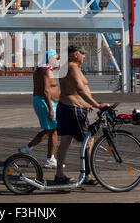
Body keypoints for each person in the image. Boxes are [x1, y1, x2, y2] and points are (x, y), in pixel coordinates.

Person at [54, 45, 109, 185]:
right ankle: (87, 175)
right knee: (89, 141)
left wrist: (87, 104)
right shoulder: (72, 67)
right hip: (74, 110)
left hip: (65, 107)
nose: (84, 56)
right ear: (75, 54)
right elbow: (79, 89)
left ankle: (59, 174)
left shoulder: (66, 67)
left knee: (65, 141)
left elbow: (71, 90)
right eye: (82, 54)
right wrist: (97, 104)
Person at [18, 49, 61, 169]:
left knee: (50, 129)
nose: (58, 61)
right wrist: (51, 109)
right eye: (57, 58)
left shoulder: (41, 69)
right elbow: (46, 90)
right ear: (50, 58)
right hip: (46, 102)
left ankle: (28, 148)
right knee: (54, 130)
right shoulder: (45, 70)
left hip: (43, 101)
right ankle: (50, 159)